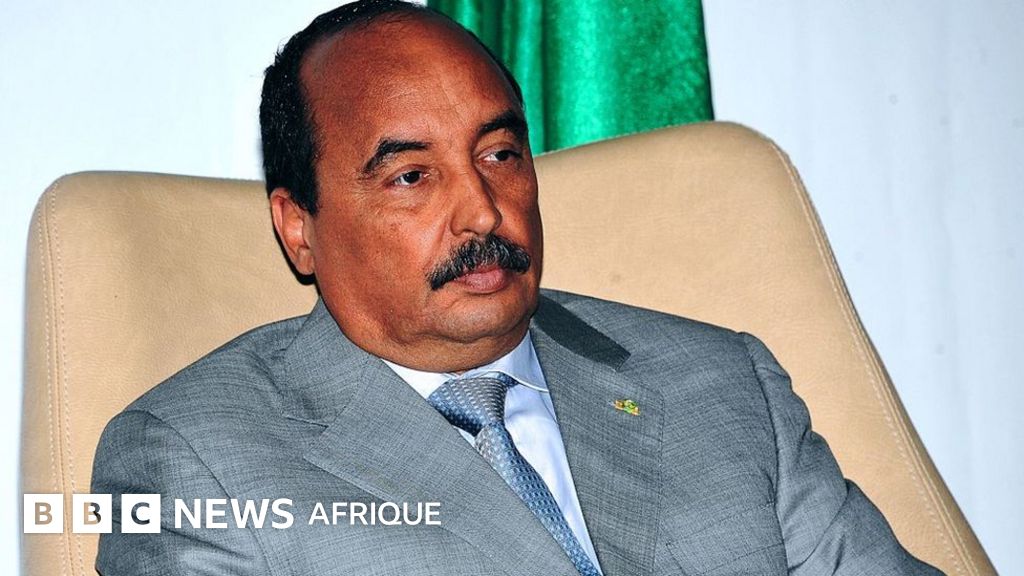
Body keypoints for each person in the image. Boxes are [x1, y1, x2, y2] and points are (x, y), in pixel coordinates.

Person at [92, 1, 942, 574]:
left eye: (499, 155)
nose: (482, 211)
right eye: (411, 176)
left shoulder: (722, 381)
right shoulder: (194, 462)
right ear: (298, 228)